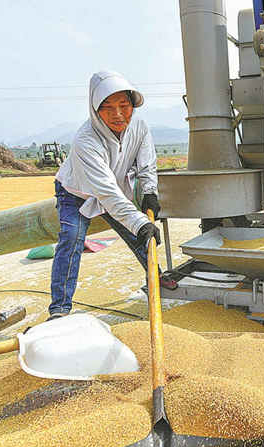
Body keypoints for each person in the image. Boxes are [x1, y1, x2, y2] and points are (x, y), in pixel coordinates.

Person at [48, 70, 177, 320]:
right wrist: (139, 221)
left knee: (139, 234)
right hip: (77, 193)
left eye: (123, 105)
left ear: (132, 104)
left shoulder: (139, 127)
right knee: (72, 238)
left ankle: (155, 278)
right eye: (107, 108)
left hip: (113, 190)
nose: (118, 114)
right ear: (95, 110)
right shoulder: (86, 140)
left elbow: (147, 165)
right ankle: (59, 310)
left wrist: (149, 192)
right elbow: (106, 193)